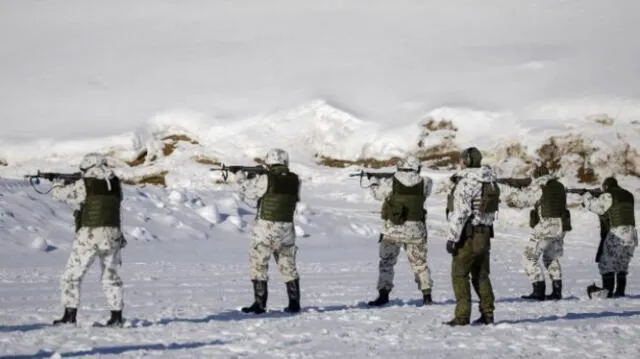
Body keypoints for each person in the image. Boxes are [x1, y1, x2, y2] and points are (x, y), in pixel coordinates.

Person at [51, 153, 126, 327]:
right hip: (113, 233)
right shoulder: (115, 183)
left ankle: (69, 317)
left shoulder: (86, 183)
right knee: (111, 277)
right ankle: (116, 317)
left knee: (71, 276)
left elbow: (60, 195)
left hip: (90, 235)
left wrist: (57, 182)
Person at [237, 148, 302, 314]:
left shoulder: (266, 178)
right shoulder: (295, 179)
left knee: (259, 264)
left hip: (266, 229)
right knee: (288, 265)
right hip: (287, 229)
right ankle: (294, 304)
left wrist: (241, 179)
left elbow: (248, 194)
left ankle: (260, 304)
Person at [366, 155, 435, 306]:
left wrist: (373, 181)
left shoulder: (390, 182)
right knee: (420, 263)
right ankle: (427, 295)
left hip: (392, 231)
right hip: (416, 231)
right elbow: (425, 192)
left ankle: (383, 295)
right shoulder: (426, 182)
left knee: (386, 263)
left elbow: (377, 195)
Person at [444, 147, 498, 326]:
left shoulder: (467, 182)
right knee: (481, 275)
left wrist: (452, 237)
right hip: (484, 235)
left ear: (467, 160)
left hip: (467, 236)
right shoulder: (490, 181)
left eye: (462, 159)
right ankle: (488, 313)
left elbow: (461, 212)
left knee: (459, 275)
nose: (460, 162)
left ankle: (462, 316)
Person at [511, 165, 570, 301]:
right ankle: (556, 291)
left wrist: (513, 193)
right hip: (561, 227)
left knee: (529, 258)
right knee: (550, 258)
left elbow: (521, 201)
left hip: (546, 227)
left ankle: (539, 291)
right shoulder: (559, 186)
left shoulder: (540, 186)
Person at [582, 177, 637, 298]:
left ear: (606, 186)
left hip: (618, 232)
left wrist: (586, 195)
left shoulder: (608, 195)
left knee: (605, 262)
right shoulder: (628, 195)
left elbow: (595, 207)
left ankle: (607, 292)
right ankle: (620, 291)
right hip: (632, 234)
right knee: (622, 263)